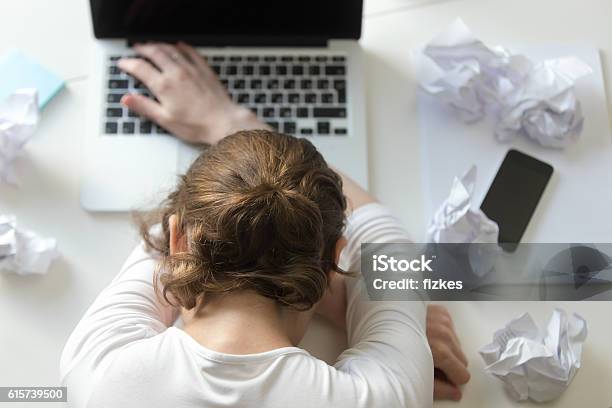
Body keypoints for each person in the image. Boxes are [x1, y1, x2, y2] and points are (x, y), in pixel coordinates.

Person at [60, 42, 470, 407]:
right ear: (334, 259)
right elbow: (384, 242)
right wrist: (397, 315)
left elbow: (169, 237)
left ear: (179, 239)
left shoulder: (96, 373)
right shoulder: (388, 395)